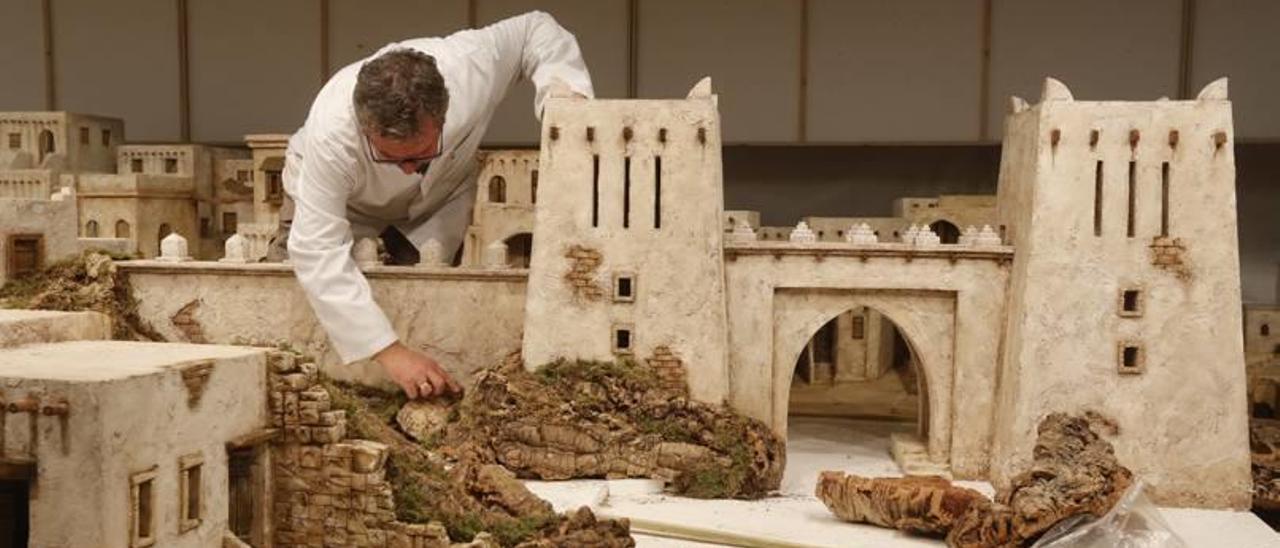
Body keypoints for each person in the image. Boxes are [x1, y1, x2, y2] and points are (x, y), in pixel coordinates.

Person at [279, 11, 593, 400]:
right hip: (345, 205)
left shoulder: (469, 68)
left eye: (423, 154)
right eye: (392, 158)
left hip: (437, 202)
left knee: (424, 305)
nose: (409, 169)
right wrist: (390, 353)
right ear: (364, 129)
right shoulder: (332, 132)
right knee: (291, 306)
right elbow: (317, 249)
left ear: (444, 115)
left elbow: (537, 29)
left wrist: (566, 107)